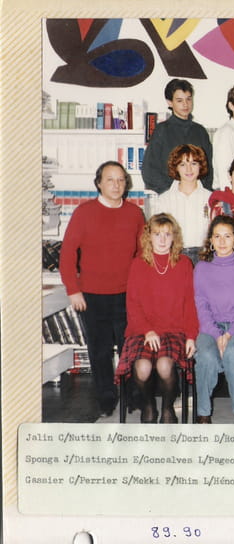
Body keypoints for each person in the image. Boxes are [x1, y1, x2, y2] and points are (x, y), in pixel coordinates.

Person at [59, 161, 145, 417]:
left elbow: (142, 254)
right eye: (110, 179)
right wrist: (73, 290)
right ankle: (106, 399)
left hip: (127, 295)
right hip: (92, 297)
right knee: (100, 351)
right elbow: (67, 253)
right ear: (99, 183)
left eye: (121, 180)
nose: (116, 185)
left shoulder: (135, 214)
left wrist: (141, 291)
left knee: (131, 348)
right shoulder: (83, 213)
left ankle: (133, 396)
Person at [114, 213, 199, 423]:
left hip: (174, 330)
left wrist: (191, 335)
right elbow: (132, 304)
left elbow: (190, 303)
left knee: (164, 366)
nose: (162, 239)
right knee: (143, 368)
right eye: (157, 234)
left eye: (167, 234)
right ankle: (148, 404)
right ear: (148, 237)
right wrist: (147, 330)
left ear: (174, 237)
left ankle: (168, 407)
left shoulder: (184, 263)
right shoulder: (138, 264)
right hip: (142, 330)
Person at [193, 216, 234, 424]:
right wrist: (216, 334)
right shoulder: (201, 268)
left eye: (227, 236)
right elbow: (201, 304)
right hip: (210, 327)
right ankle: (203, 412)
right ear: (210, 240)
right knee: (206, 357)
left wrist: (228, 334)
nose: (222, 241)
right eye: (217, 236)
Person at [142, 78, 213, 193]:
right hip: (170, 195)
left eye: (188, 99)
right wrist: (172, 191)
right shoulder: (162, 130)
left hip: (197, 195)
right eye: (179, 100)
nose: (185, 104)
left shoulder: (200, 131)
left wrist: (201, 191)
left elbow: (208, 169)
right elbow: (149, 171)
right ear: (170, 102)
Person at [150, 144, 212, 264]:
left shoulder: (210, 198)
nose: (189, 169)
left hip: (204, 257)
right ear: (176, 168)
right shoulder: (164, 200)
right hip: (174, 256)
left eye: (193, 163)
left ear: (200, 166)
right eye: (183, 164)